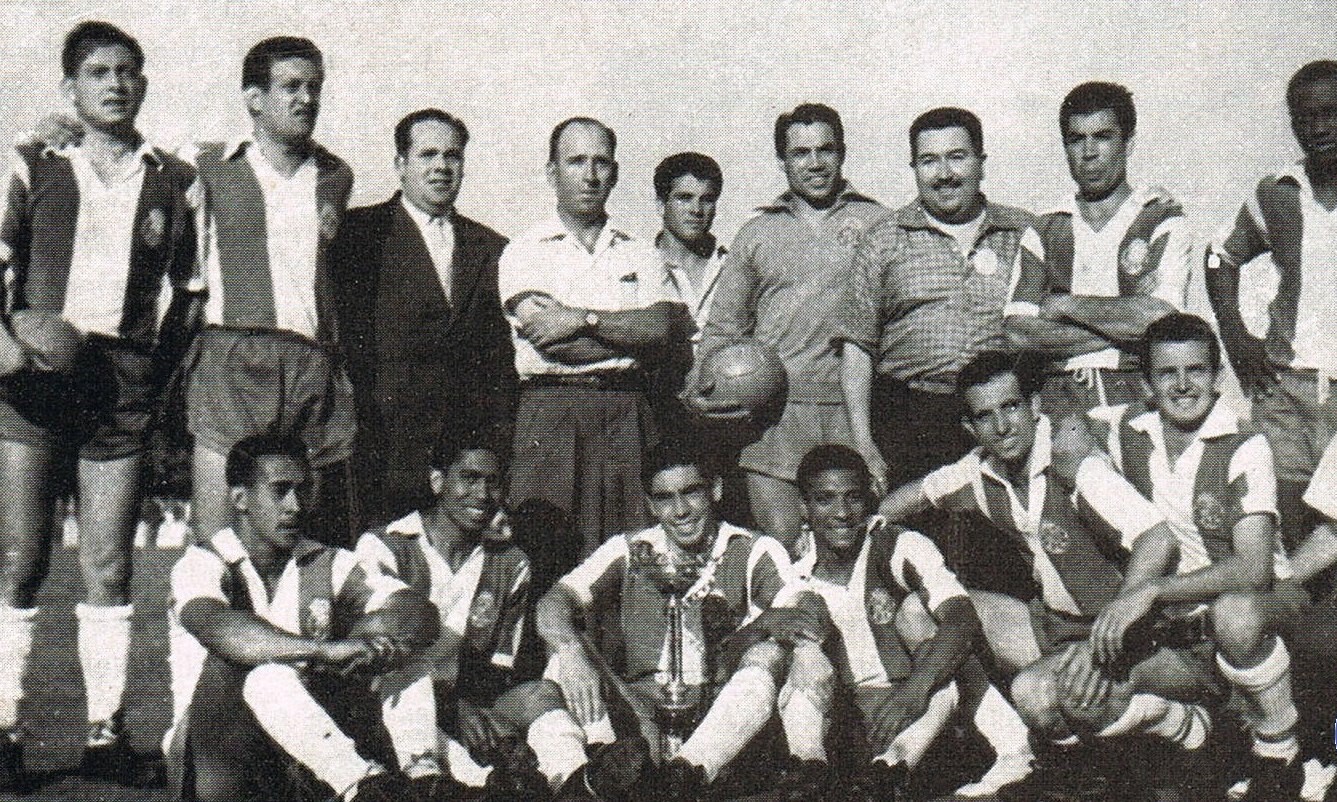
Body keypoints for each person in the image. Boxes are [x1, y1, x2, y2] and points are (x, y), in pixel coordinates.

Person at [0, 21, 197, 788]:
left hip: (120, 378)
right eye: (97, 72)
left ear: (142, 85)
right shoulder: (29, 162)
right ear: (70, 88)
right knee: (21, 558)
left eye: (127, 72)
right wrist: (10, 344)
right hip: (34, 371)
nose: (115, 83)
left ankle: (107, 735)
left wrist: (155, 375)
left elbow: (188, 293)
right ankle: (6, 729)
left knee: (110, 564)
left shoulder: (174, 180)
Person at [877, 351, 1202, 798]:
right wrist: (857, 532)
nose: (1003, 426)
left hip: (1133, 635)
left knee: (1033, 692)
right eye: (985, 416)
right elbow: (905, 501)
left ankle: (1176, 721)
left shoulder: (1072, 461)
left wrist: (1116, 621)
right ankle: (1018, 752)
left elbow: (1157, 540)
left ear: (1033, 407)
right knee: (919, 612)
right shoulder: (979, 472)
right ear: (970, 429)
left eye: (1011, 407)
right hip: (1055, 627)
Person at [1075, 313, 1306, 800]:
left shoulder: (1246, 444)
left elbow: (1254, 569)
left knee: (1235, 611)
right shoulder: (1128, 431)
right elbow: (1064, 436)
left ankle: (1280, 751)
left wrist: (1151, 588)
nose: (1183, 386)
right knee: (1072, 700)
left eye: (1196, 370)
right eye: (1167, 373)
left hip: (1271, 614)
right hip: (1184, 635)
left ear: (1217, 375)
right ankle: (1195, 733)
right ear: (1146, 385)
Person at [355, 430, 651, 799]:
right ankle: (463, 783)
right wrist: (453, 709)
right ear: (437, 481)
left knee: (541, 693)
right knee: (428, 719)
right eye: (469, 478)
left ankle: (577, 779)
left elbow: (496, 670)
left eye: (492, 482)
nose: (482, 495)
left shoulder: (511, 564)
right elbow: (373, 660)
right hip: (394, 705)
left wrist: (479, 713)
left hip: (465, 703)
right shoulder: (386, 546)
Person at [535, 438, 822, 801]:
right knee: (562, 661)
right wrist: (572, 651)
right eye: (666, 498)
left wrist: (759, 629)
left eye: (691, 493)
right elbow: (553, 603)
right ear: (651, 505)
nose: (681, 510)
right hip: (642, 707)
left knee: (773, 654)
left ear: (715, 490)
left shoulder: (751, 548)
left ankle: (687, 773)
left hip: (719, 709)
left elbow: (803, 613)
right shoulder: (631, 549)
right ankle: (586, 782)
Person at [163, 434, 445, 802]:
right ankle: (363, 785)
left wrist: (369, 639)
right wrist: (325, 652)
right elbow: (220, 628)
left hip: (300, 746)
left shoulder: (326, 561)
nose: (295, 505)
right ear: (240, 498)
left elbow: (418, 611)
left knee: (399, 651)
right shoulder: (203, 562)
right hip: (214, 756)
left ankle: (422, 780)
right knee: (245, 667)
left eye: (303, 489)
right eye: (280, 490)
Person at [835, 106, 1036, 591]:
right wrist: (865, 444)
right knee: (920, 556)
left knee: (1004, 551)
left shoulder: (1024, 232)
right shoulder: (884, 238)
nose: (945, 173)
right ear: (914, 168)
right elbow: (857, 347)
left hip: (996, 414)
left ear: (981, 161)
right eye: (929, 161)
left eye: (957, 157)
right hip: (911, 417)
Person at [178, 36, 357, 549]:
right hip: (234, 352)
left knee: (302, 533)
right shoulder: (205, 162)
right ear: (254, 99)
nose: (306, 99)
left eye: (314, 88)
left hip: (310, 362)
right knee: (218, 537)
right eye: (291, 87)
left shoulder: (335, 174)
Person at [774, 444, 1032, 799]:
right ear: (804, 508)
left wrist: (914, 690)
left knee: (917, 612)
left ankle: (1009, 749)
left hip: (918, 716)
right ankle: (809, 771)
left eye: (853, 498)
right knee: (799, 642)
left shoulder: (897, 545)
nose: (842, 513)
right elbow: (747, 651)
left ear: (869, 500)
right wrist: (787, 636)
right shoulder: (796, 577)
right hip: (846, 722)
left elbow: (962, 619)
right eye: (825, 500)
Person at [691, 103, 883, 548]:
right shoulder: (757, 233)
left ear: (843, 153)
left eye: (825, 150)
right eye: (801, 153)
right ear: (783, 160)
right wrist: (700, 390)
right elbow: (723, 329)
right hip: (774, 423)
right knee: (781, 553)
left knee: (855, 552)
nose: (815, 163)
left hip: (853, 416)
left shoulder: (878, 223)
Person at [499, 117, 681, 573]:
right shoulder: (526, 249)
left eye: (601, 163)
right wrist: (629, 337)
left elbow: (661, 330)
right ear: (552, 171)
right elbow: (552, 345)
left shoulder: (641, 251)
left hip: (627, 412)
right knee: (547, 550)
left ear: (616, 173)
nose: (590, 174)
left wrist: (582, 319)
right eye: (576, 161)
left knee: (630, 552)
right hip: (553, 413)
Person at [330, 109, 514, 528]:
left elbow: (499, 360)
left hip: (459, 459)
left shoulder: (491, 247)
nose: (441, 167)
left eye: (452, 156)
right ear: (400, 164)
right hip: (378, 445)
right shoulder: (358, 234)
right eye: (427, 154)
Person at [1207, 60, 1337, 553]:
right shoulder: (1278, 192)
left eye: (1332, 112)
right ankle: (1293, 627)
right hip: (1286, 389)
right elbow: (1221, 255)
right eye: (1306, 116)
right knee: (1289, 518)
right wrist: (1237, 340)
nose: (1320, 126)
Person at [1005, 82, 1190, 417]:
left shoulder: (1159, 219)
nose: (1089, 152)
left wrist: (1065, 303)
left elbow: (1162, 321)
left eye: (1102, 137)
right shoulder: (1045, 228)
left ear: (1128, 143)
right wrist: (1126, 323)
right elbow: (1018, 334)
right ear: (1065, 147)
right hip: (1059, 399)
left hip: (1138, 394)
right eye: (1077, 139)